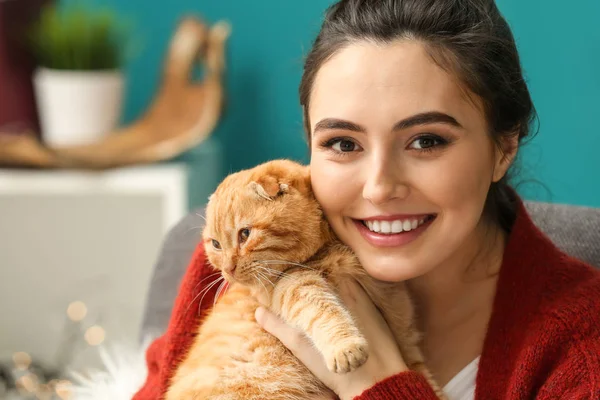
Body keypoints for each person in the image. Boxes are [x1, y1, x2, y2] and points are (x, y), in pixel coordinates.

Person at [134, 1, 600, 399]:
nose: (378, 187)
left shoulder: (583, 346)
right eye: (342, 143)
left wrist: (375, 383)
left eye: (426, 141)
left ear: (504, 148)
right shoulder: (242, 262)